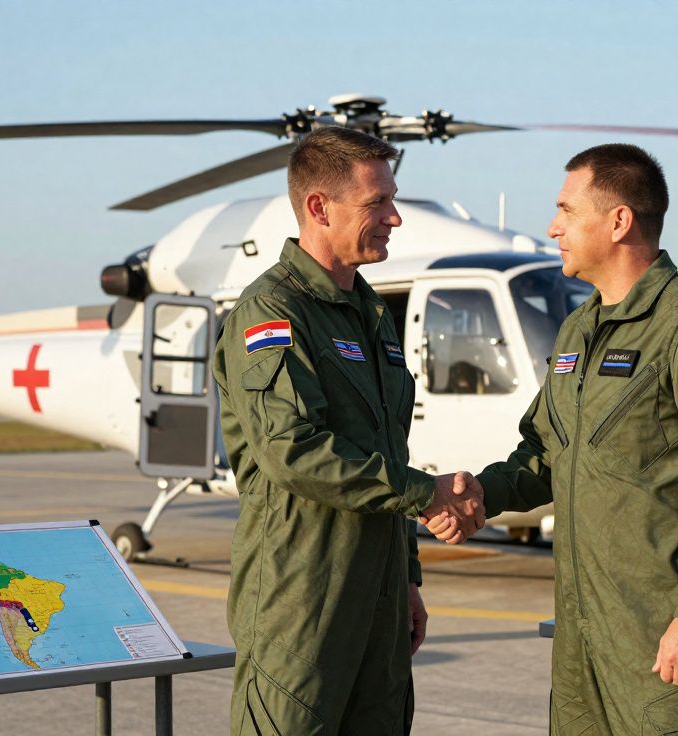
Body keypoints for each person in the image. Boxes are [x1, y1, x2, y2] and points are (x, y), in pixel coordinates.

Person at [428, 143, 678, 735]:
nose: (552, 226)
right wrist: (478, 494)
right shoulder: (578, 329)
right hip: (583, 647)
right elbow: (544, 452)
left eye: (566, 210)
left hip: (662, 644)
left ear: (619, 221)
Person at [212, 126, 484, 735]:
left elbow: (388, 449)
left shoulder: (369, 313)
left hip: (378, 599)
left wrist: (407, 579)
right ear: (318, 207)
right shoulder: (273, 312)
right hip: (302, 600)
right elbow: (294, 451)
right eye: (377, 204)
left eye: (392, 201)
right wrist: (426, 494)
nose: (394, 218)